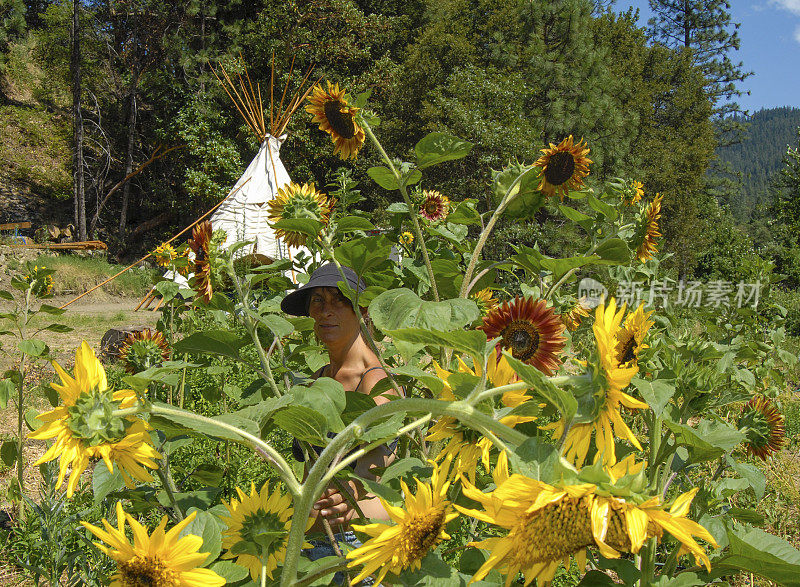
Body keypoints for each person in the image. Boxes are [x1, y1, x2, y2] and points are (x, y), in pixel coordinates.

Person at [281, 262, 397, 584]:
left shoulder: (378, 384)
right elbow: (308, 474)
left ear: (360, 309)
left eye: (338, 300)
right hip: (310, 544)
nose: (325, 311)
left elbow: (373, 475)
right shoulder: (315, 385)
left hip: (357, 548)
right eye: (317, 301)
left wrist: (350, 494)